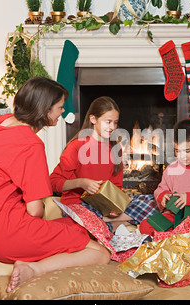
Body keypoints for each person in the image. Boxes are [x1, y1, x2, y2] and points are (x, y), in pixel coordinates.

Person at [0, 77, 110, 293]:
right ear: (44, 109)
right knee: (100, 253)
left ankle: (42, 254)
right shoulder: (31, 145)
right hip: (14, 236)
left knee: (75, 227)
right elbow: (35, 211)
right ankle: (34, 269)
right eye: (59, 107)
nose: (62, 112)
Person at [50, 96, 158, 231]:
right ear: (93, 119)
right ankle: (114, 222)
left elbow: (117, 186)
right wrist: (82, 183)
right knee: (88, 215)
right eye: (108, 122)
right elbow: (54, 182)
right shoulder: (77, 147)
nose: (113, 127)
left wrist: (115, 206)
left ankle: (112, 220)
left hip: (104, 205)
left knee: (154, 202)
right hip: (79, 204)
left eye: (115, 122)